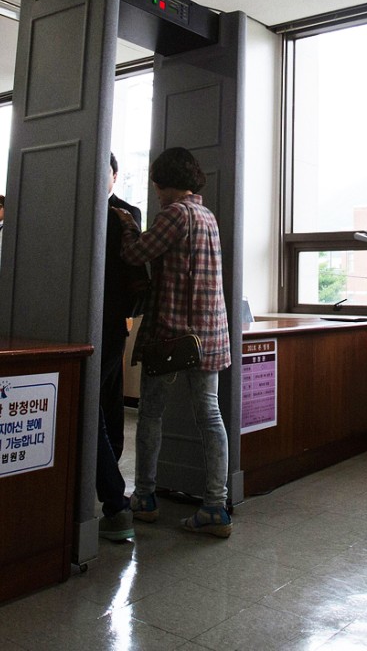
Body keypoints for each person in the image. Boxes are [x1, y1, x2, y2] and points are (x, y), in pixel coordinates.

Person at [115, 147, 234, 539]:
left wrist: (128, 224)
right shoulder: (207, 216)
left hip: (172, 336)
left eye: (157, 186)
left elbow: (135, 252)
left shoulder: (175, 213)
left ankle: (145, 498)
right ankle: (215, 505)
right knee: (210, 416)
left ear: (164, 184)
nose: (156, 194)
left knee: (150, 415)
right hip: (210, 334)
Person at [95, 153, 148, 541]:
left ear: (115, 176)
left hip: (112, 322)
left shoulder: (126, 214)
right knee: (102, 403)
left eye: (106, 173)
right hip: (85, 321)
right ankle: (112, 496)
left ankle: (113, 498)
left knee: (104, 406)